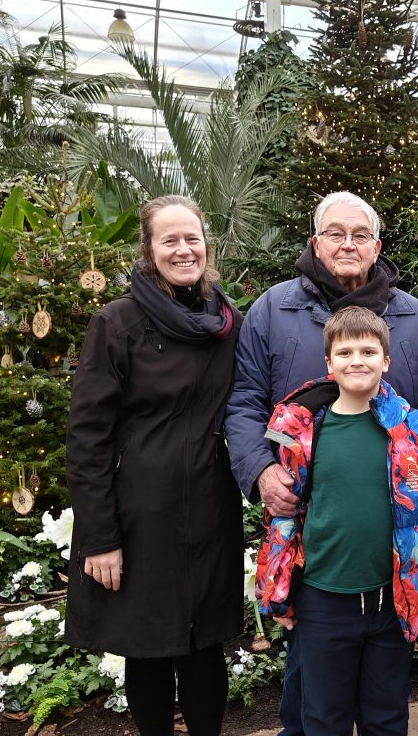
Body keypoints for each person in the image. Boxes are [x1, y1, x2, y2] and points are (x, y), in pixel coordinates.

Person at [226, 190, 418, 734]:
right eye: (335, 233)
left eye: (360, 235)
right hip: (312, 538)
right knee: (311, 702)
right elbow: (244, 401)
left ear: (376, 246)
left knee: (384, 706)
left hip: (390, 552)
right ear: (315, 242)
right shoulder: (273, 310)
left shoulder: (411, 315)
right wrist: (260, 469)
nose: (347, 244)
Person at [65, 195, 243, 735]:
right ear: (148, 249)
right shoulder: (117, 323)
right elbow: (87, 437)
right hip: (139, 513)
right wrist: (100, 537)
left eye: (192, 238)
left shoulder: (227, 322)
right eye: (170, 240)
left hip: (210, 507)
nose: (184, 250)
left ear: (207, 246)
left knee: (205, 646)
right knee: (147, 647)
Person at [255, 306, 418, 736]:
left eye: (368, 352)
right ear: (329, 363)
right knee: (323, 719)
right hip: (323, 601)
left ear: (385, 361)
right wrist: (275, 587)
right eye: (345, 352)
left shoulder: (413, 429)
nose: (357, 361)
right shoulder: (304, 431)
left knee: (386, 718)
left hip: (392, 600)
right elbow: (282, 516)